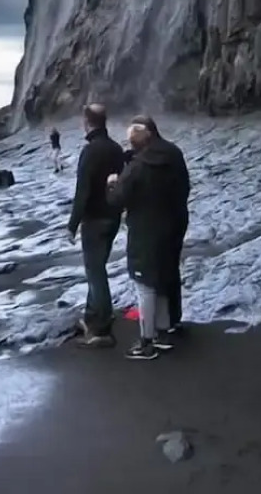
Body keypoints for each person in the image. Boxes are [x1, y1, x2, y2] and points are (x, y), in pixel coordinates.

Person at [107, 118, 190, 360]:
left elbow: (117, 201)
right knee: (163, 278)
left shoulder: (137, 167)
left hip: (144, 230)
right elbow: (185, 187)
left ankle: (147, 341)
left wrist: (111, 184)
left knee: (144, 285)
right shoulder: (173, 153)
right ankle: (164, 333)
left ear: (135, 143)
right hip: (172, 225)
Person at [68, 103, 125, 348]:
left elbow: (83, 191)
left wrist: (72, 224)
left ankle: (102, 327)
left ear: (87, 122)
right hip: (112, 217)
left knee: (95, 271)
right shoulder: (116, 149)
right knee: (97, 267)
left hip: (94, 219)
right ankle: (92, 317)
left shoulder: (90, 151)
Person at [131, 114, 189, 334]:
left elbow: (130, 192)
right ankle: (173, 319)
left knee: (151, 274)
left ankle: (153, 331)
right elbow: (184, 185)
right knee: (171, 267)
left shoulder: (144, 160)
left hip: (153, 222)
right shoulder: (173, 152)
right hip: (176, 218)